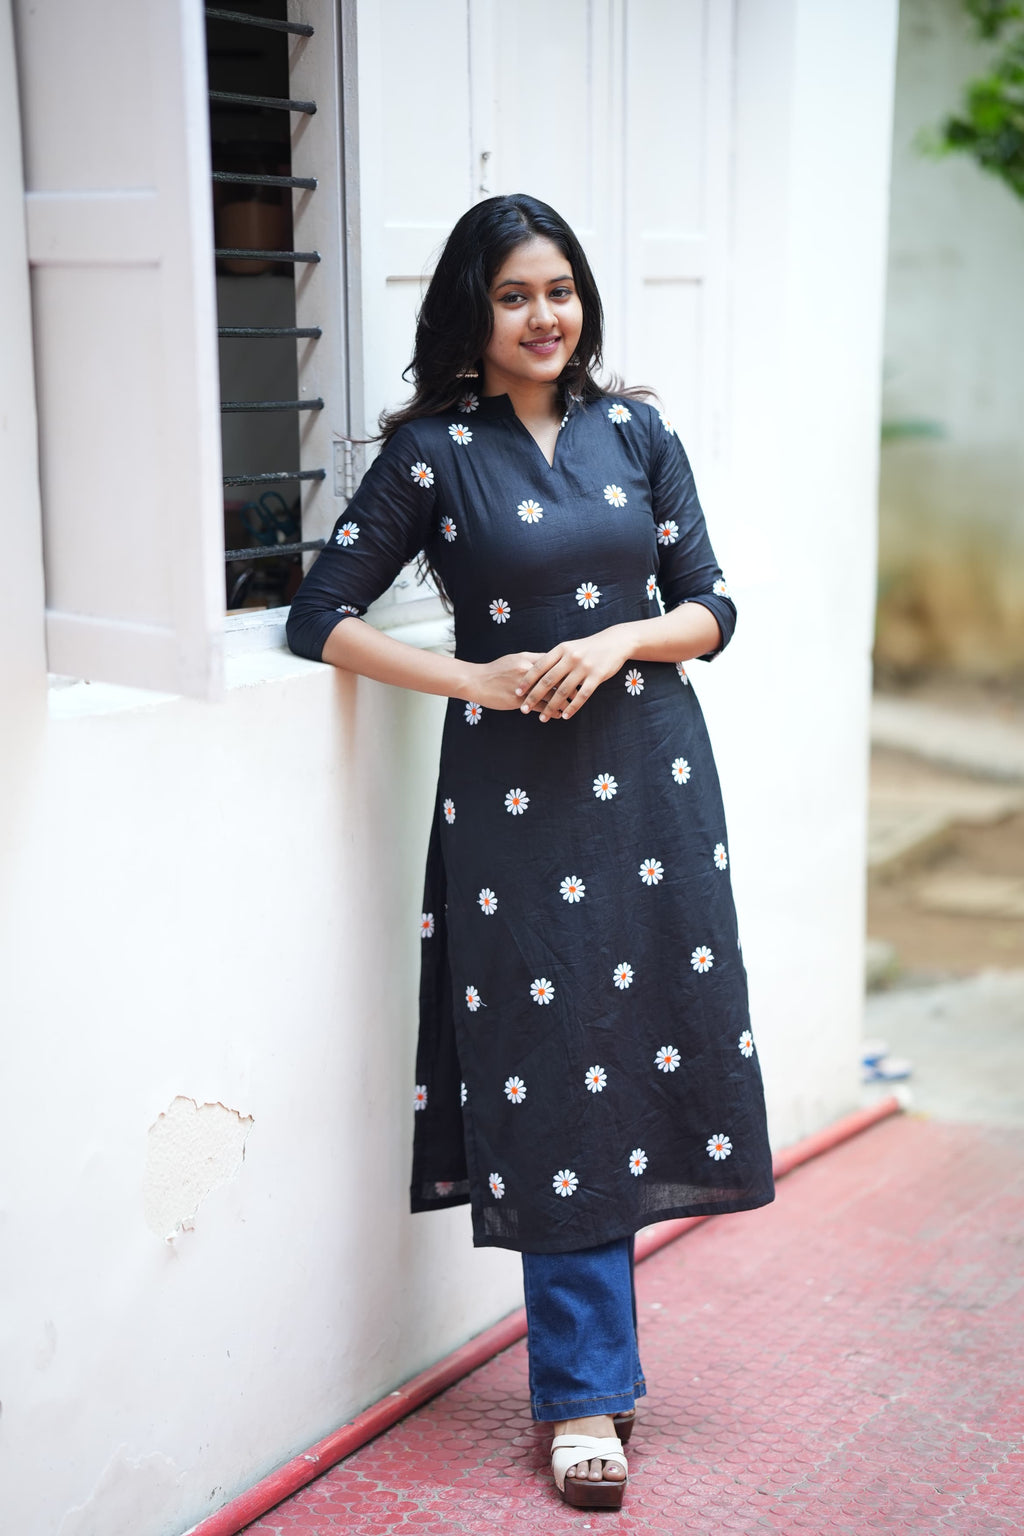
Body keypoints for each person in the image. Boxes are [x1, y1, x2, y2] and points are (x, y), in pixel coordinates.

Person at [286, 193, 774, 1510]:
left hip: (656, 786)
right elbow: (319, 617)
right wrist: (473, 679)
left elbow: (713, 609)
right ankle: (583, 1398)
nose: (544, 315)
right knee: (556, 1070)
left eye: (559, 289)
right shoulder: (434, 456)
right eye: (514, 295)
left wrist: (618, 640)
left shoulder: (638, 431)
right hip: (515, 807)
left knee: (642, 1047)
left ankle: (596, 1364)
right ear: (474, 311)